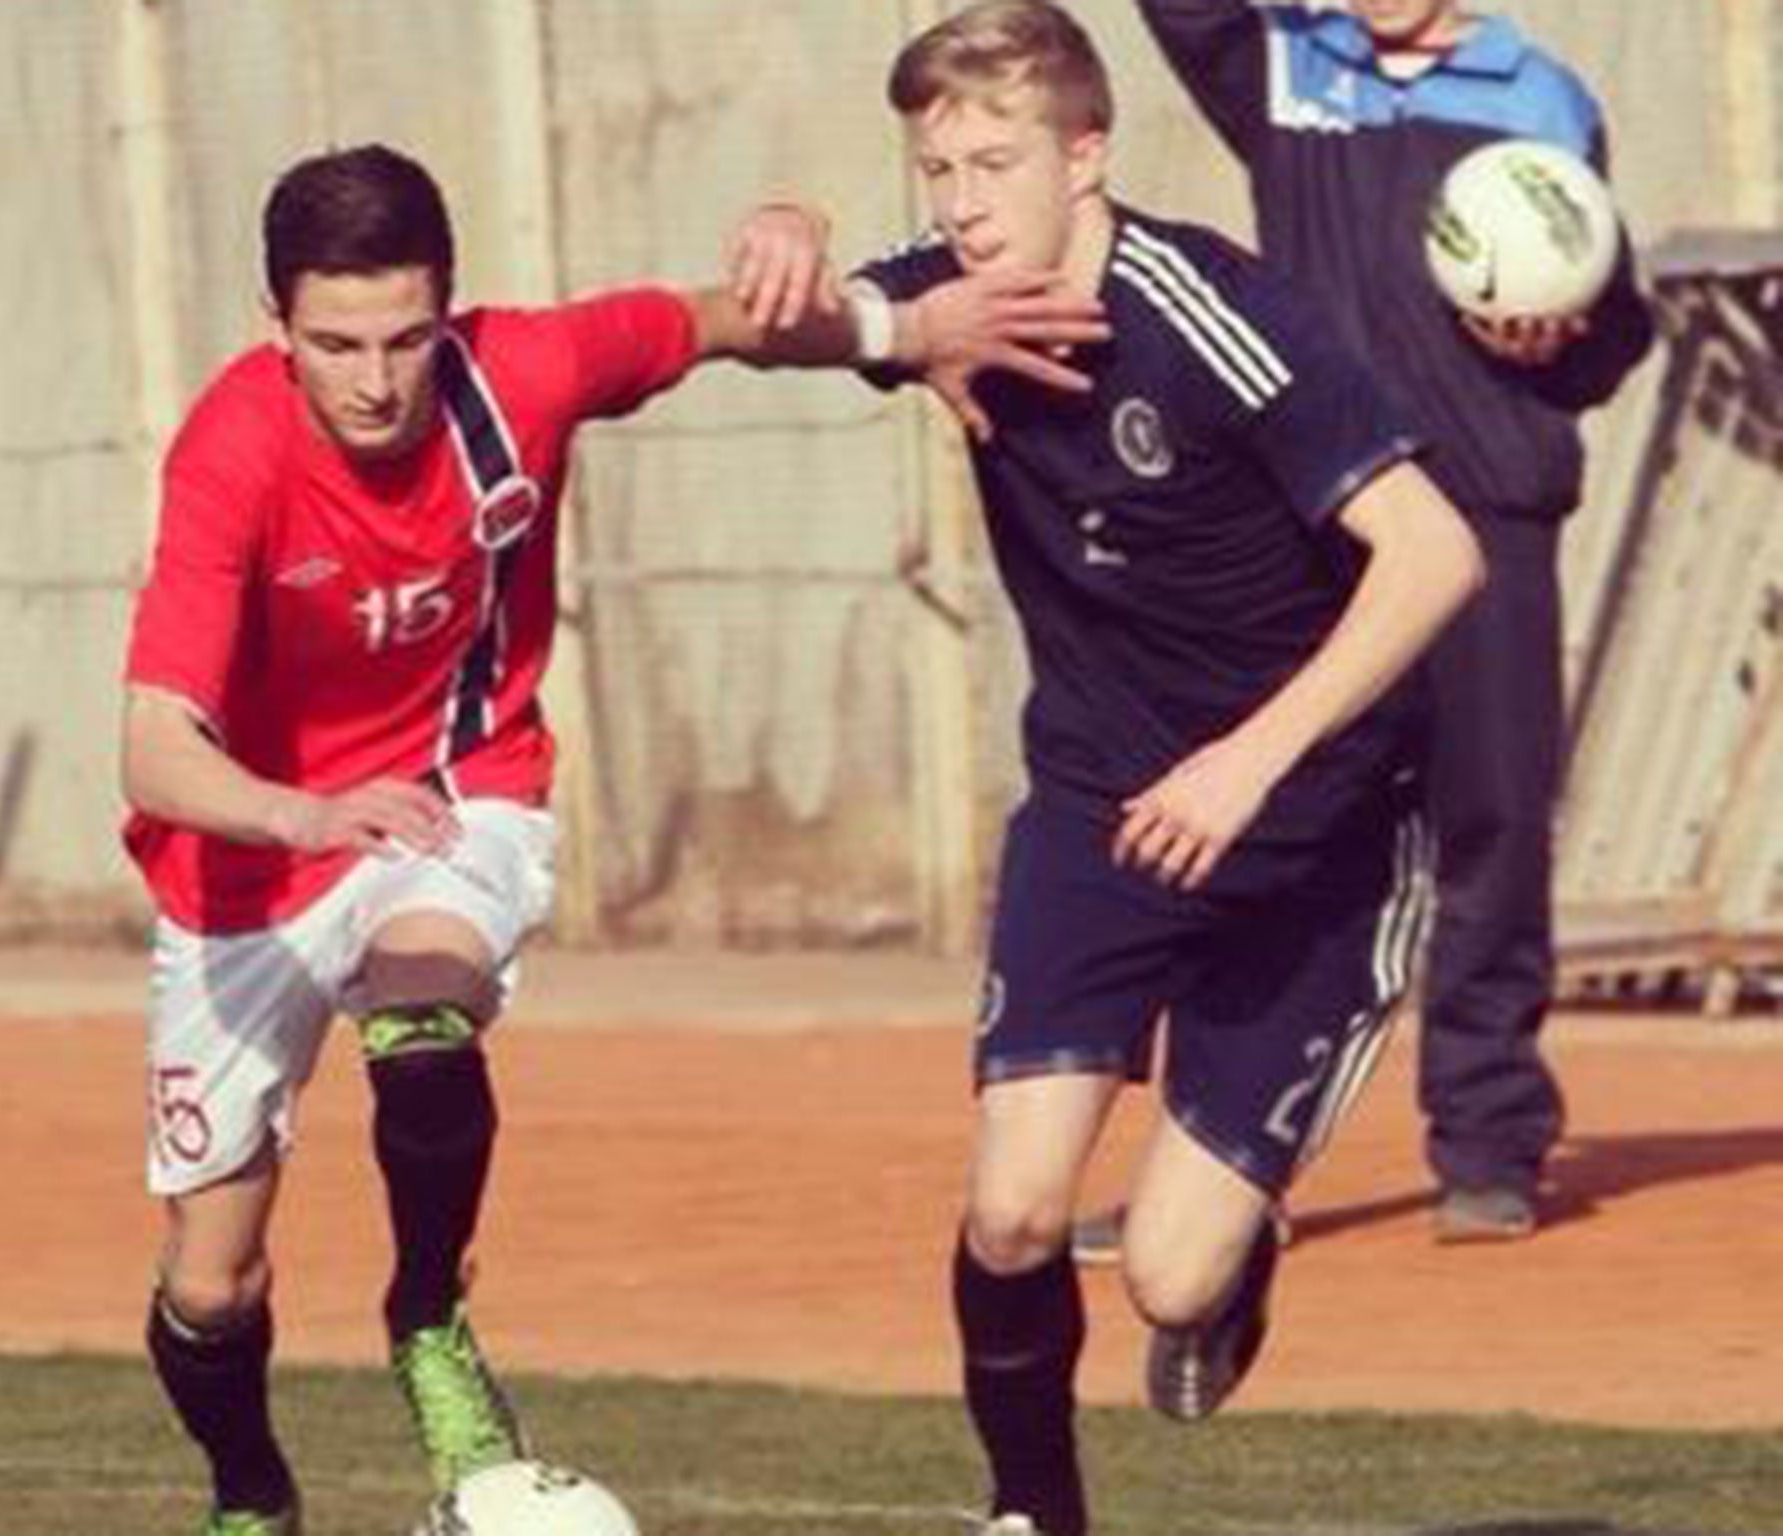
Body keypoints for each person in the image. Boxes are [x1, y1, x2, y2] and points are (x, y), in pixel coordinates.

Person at [118, 142, 1099, 1536]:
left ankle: (429, 1321)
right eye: (336, 344)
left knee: (423, 1016)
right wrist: (299, 812)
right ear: (275, 327)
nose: (377, 380)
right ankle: (250, 1492)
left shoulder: (523, 372)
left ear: (450, 312)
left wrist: (861, 284)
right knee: (211, 1282)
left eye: (406, 337)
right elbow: (153, 752)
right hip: (249, 853)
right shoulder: (230, 452)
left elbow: (725, 322)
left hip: (450, 795)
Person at [739, 2, 1483, 1529]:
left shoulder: (1219, 315)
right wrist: (792, 231)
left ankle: (1232, 1264)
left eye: (993, 163)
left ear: (1087, 156)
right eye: (934, 168)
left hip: (1313, 834)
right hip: (1100, 804)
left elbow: (1436, 552)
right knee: (1013, 1210)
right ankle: (1032, 1511)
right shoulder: (957, 297)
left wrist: (1248, 762)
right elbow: (798, 327)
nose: (957, 203)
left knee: (1168, 1270)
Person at [1128, 0, 1655, 1244]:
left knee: (1490, 822)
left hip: (1484, 516)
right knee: (1272, 834)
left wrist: (1557, 338)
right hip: (1312, 517)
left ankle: (1487, 1141)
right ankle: (1215, 1169)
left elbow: (1614, 329)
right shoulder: (1284, 64)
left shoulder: (1538, 94)